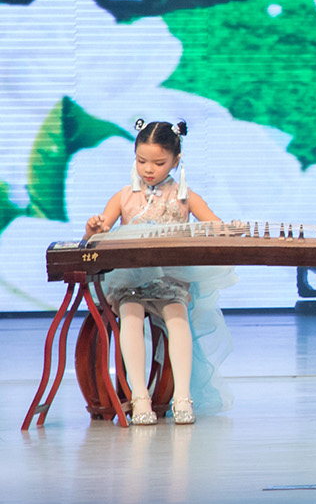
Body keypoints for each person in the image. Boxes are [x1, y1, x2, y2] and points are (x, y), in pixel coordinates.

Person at [83, 119, 235, 425]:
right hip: (130, 279)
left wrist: (229, 228)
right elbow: (97, 235)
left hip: (169, 279)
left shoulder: (184, 197)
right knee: (130, 314)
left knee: (177, 317)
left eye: (159, 163)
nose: (148, 169)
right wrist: (94, 228)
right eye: (142, 161)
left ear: (176, 161)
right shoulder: (124, 196)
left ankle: (182, 397)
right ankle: (139, 397)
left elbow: (215, 224)